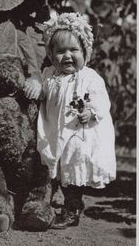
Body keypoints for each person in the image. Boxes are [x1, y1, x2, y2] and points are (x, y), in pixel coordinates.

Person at [24, 12, 116, 228]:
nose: (67, 56)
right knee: (51, 171)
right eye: (60, 51)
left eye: (74, 50)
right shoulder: (49, 75)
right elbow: (40, 89)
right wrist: (36, 85)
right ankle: (41, 207)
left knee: (73, 172)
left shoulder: (90, 77)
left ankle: (72, 208)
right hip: (53, 132)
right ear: (50, 54)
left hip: (78, 135)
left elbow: (102, 100)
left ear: (85, 51)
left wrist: (92, 112)